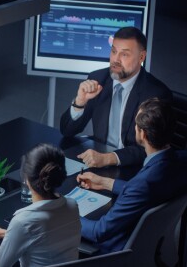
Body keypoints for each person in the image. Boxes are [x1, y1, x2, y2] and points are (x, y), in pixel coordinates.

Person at [77, 98, 187, 254]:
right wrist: (105, 183)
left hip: (117, 255)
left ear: (142, 134)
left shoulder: (142, 184)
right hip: (156, 250)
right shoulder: (185, 160)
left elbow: (99, 232)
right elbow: (151, 190)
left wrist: (64, 213)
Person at [60, 26, 172, 168]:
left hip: (133, 167)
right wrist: (80, 102)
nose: (116, 60)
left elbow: (152, 149)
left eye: (124, 54)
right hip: (98, 159)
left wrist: (110, 158)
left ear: (141, 57)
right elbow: (67, 131)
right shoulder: (98, 78)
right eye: (113, 51)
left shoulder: (156, 94)